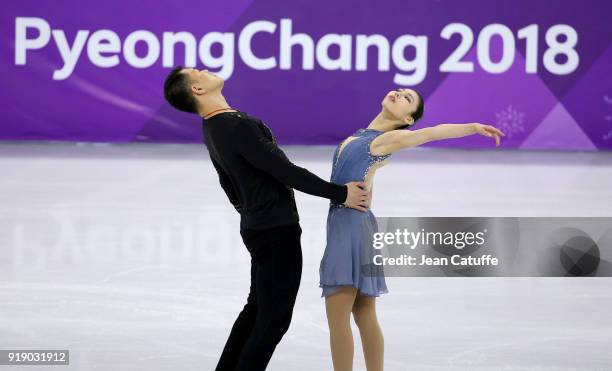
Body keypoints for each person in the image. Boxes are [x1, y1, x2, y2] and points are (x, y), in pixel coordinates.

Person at [162, 66, 371, 371]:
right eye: (198, 72)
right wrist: (340, 194)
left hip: (258, 226)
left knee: (256, 310)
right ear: (197, 90)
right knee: (273, 322)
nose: (205, 70)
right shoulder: (234, 126)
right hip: (275, 230)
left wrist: (249, 211)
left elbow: (228, 182)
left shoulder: (215, 127)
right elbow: (284, 171)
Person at [319, 88, 504, 371]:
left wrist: (473, 128)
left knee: (339, 314)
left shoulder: (387, 139)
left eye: (407, 98)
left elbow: (432, 133)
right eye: (400, 90)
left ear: (407, 119)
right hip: (358, 223)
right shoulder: (365, 136)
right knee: (364, 311)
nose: (398, 93)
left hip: (350, 225)